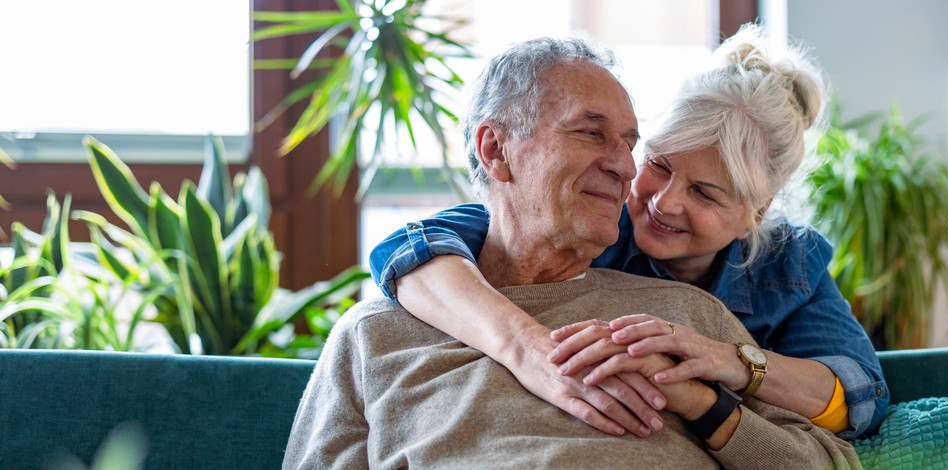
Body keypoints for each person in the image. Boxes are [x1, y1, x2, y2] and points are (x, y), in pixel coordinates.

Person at [284, 36, 859, 468]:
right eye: (592, 133)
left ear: (754, 215)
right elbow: (412, 246)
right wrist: (530, 349)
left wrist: (709, 394)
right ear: (496, 151)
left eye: (630, 144)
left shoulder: (692, 325)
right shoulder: (380, 330)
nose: (632, 174)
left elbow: (847, 419)